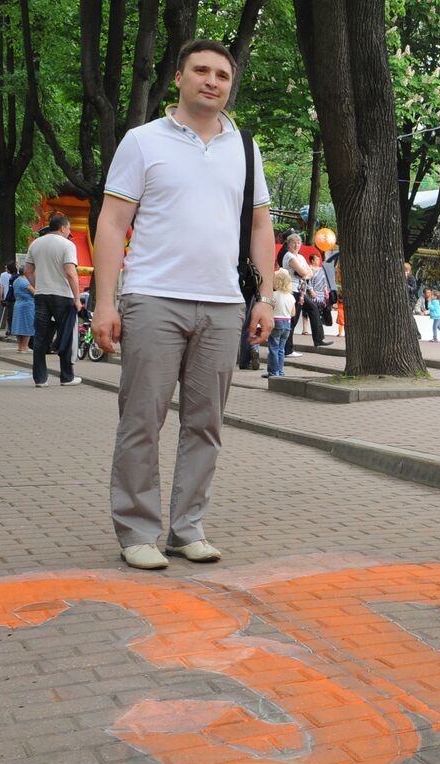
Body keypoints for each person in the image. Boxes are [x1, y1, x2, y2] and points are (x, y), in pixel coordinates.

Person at [91, 37, 275, 571]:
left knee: (206, 424)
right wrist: (106, 303)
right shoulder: (143, 141)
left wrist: (263, 297)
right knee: (142, 420)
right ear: (179, 77)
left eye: (222, 74)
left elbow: (260, 225)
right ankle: (137, 531)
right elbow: (112, 223)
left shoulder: (245, 148)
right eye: (201, 70)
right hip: (153, 298)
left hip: (223, 304)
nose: (212, 81)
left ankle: (186, 528)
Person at [25, 213, 83, 387]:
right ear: (63, 227)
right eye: (69, 229)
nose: (68, 232)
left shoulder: (35, 244)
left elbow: (28, 270)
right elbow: (70, 272)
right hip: (63, 296)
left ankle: (40, 379)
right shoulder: (67, 245)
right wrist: (78, 299)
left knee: (41, 336)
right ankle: (66, 377)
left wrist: (39, 286)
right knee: (65, 334)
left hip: (42, 295)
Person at [265, 269, 294, 377]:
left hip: (276, 322)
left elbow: (268, 309)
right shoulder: (291, 297)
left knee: (273, 348)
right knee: (281, 349)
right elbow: (293, 313)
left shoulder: (273, 295)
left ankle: (273, 372)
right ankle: (281, 371)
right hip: (287, 324)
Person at [9, 264, 35, 352]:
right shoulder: (26, 282)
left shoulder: (16, 281)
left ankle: (20, 347)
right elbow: (34, 293)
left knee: (18, 325)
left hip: (18, 304)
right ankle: (25, 346)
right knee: (28, 324)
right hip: (27, 305)